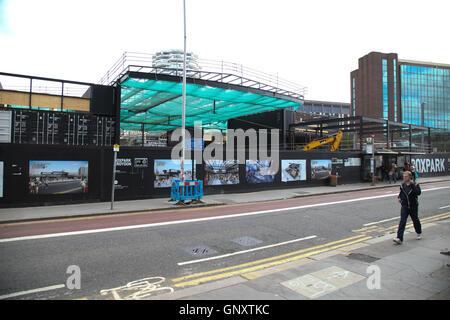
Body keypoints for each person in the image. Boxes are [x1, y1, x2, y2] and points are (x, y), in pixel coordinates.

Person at [393, 171, 422, 244]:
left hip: (413, 206)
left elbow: (418, 193)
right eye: (403, 176)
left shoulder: (415, 184)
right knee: (402, 221)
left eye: (406, 176)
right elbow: (401, 193)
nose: (404, 178)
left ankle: (418, 232)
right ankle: (399, 238)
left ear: (410, 177)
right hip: (405, 206)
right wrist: (399, 197)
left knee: (415, 220)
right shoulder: (402, 185)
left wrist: (412, 185)